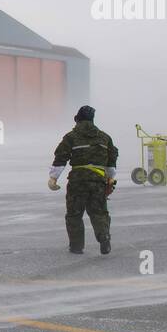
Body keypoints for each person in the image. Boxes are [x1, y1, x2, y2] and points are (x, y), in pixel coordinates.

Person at [48, 105, 118, 254]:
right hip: (98, 181)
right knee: (99, 212)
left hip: (78, 181)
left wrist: (53, 178)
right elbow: (112, 159)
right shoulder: (105, 137)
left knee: (74, 214)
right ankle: (104, 236)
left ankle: (76, 246)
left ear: (77, 119)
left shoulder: (71, 137)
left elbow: (61, 157)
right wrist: (111, 178)